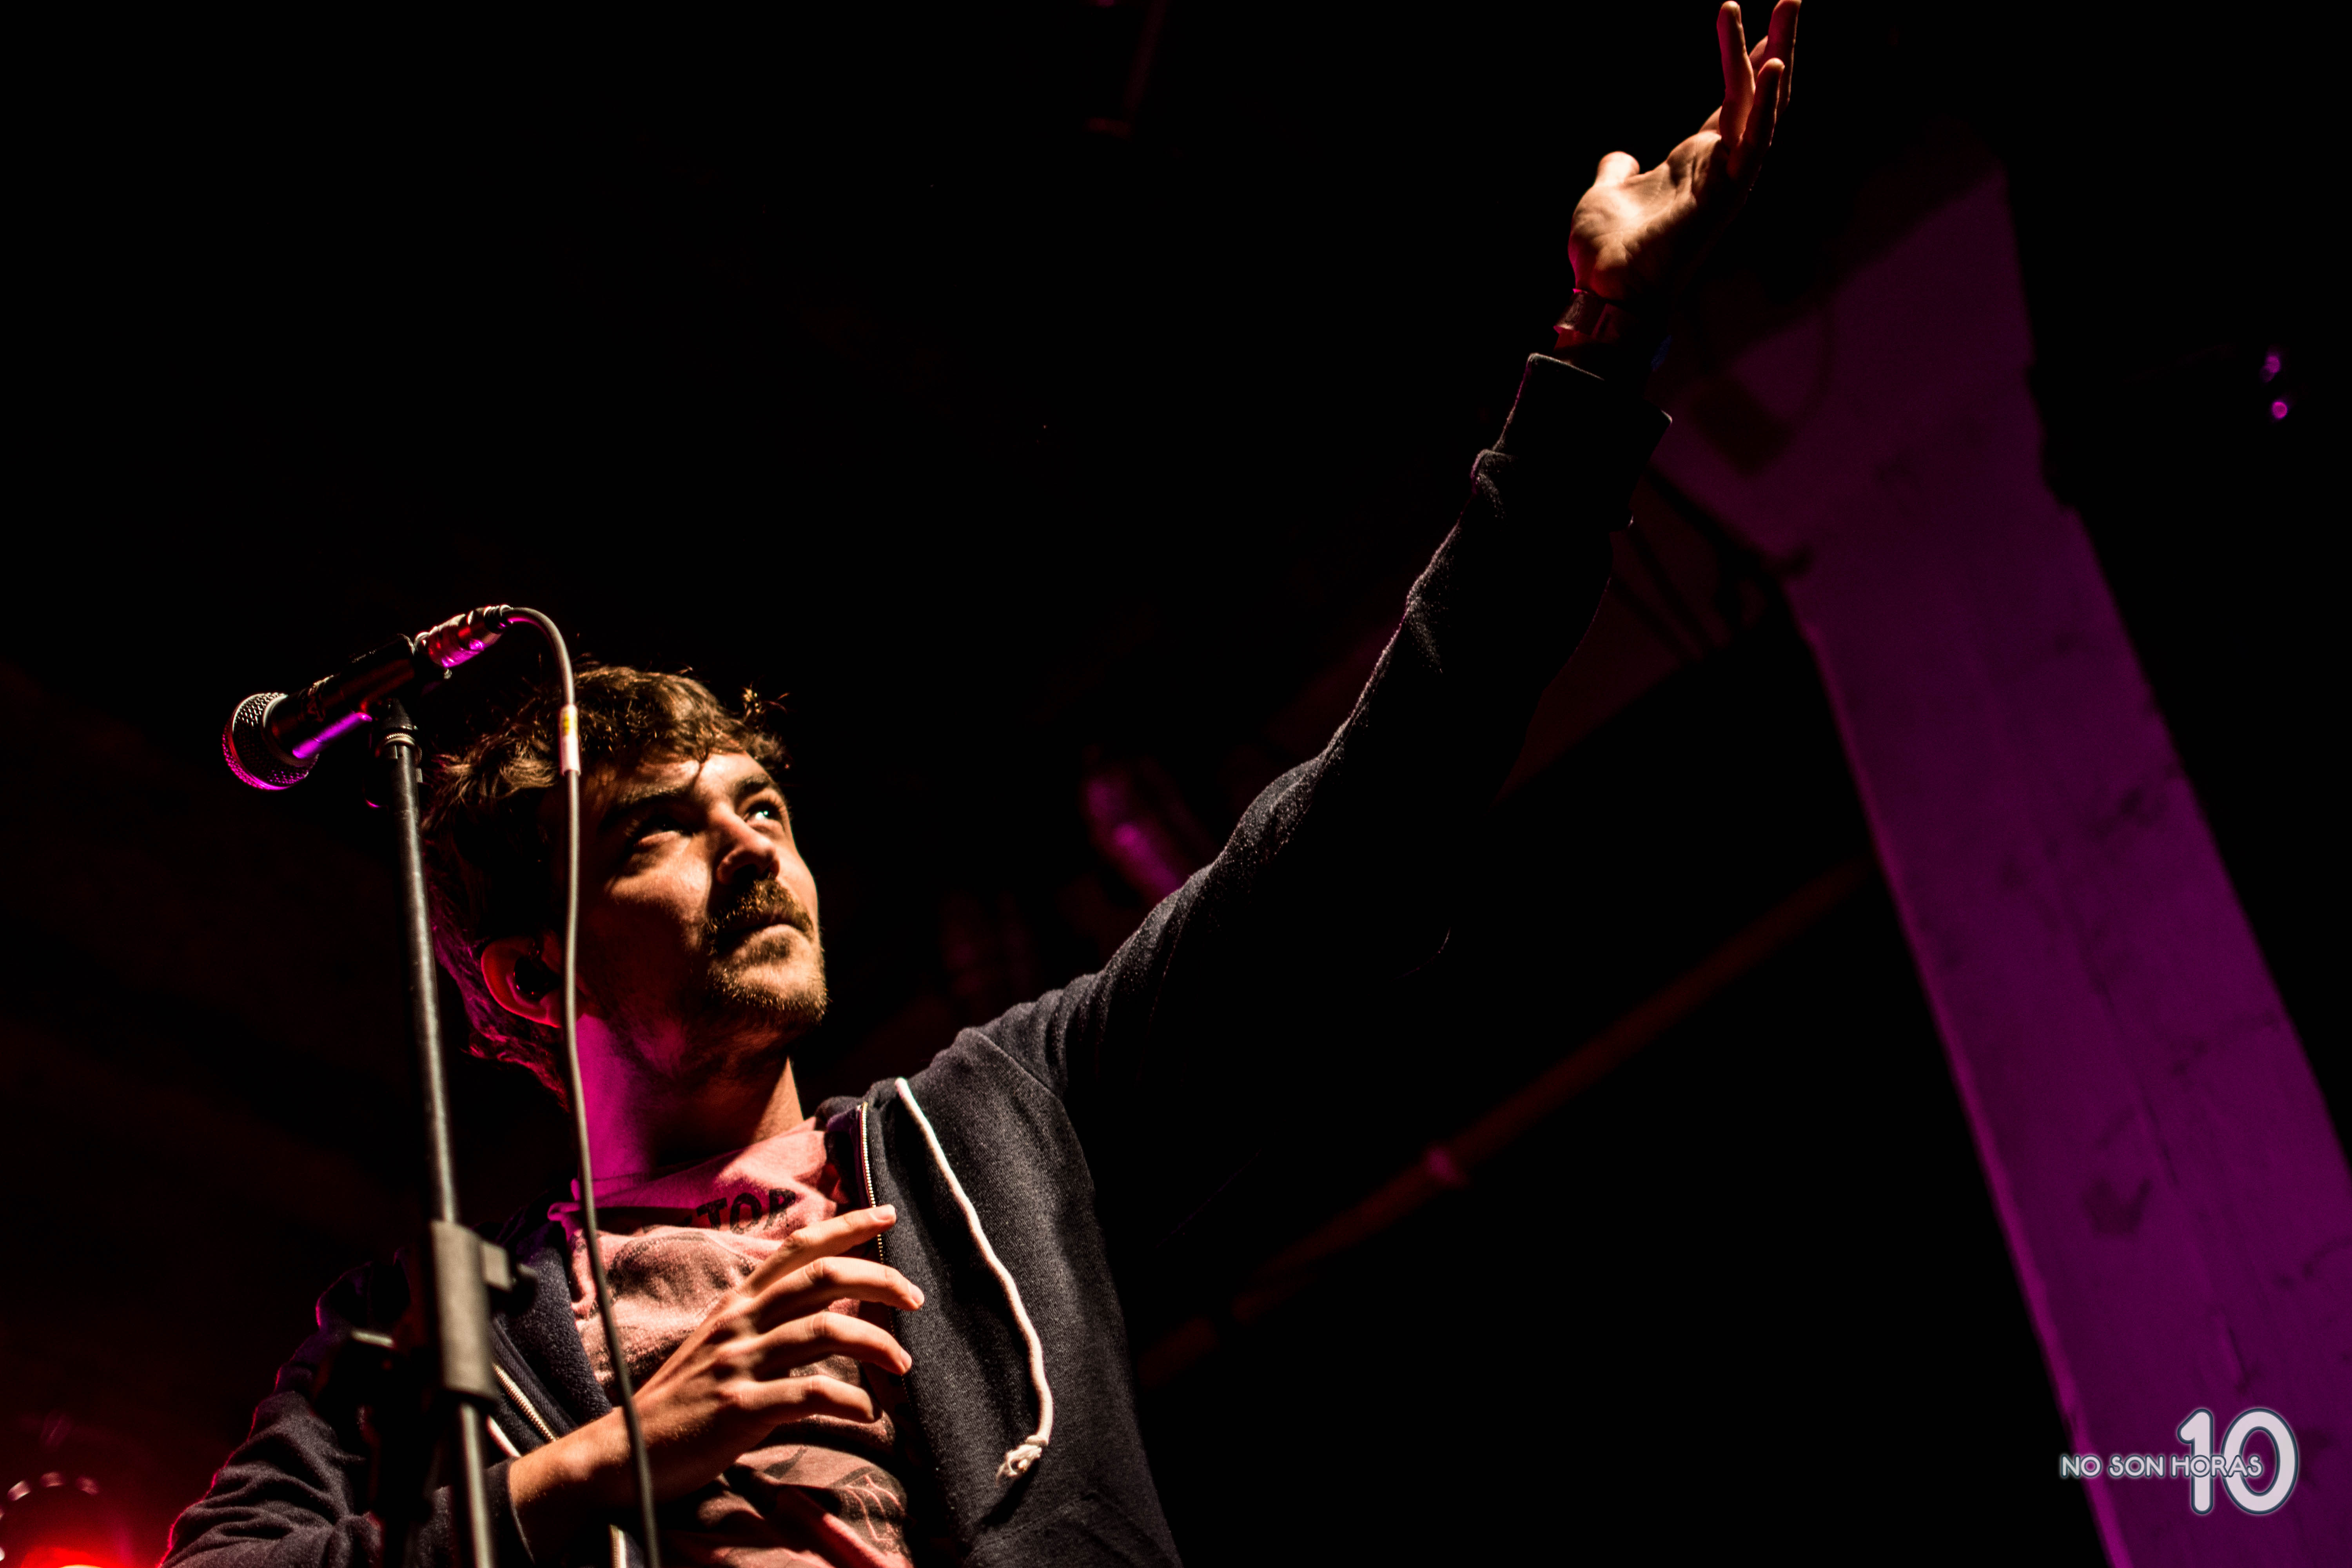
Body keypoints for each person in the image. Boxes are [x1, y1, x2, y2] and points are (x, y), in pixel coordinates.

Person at [164, 5, 1800, 1564]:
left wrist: (1599, 355)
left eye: (762, 809)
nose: (752, 849)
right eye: (663, 828)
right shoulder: (429, 1338)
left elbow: (1366, 830)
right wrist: (606, 1462)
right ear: (531, 977)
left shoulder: (997, 1128)